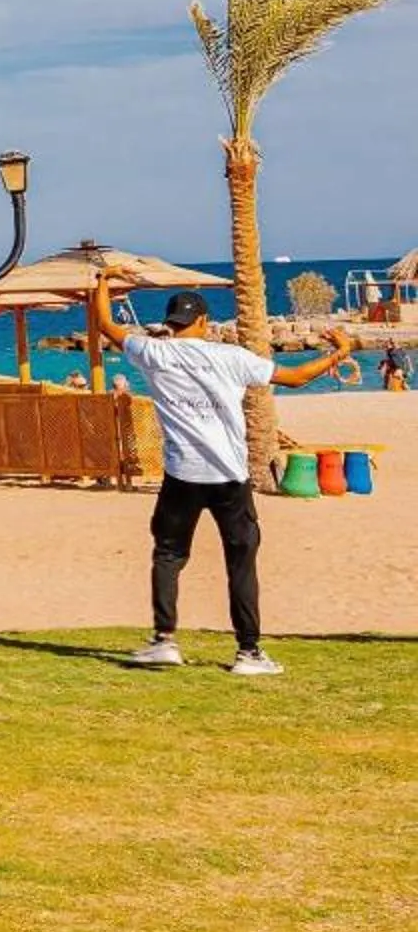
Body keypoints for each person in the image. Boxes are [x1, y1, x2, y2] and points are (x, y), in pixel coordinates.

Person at [99, 281, 355, 676]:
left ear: (172, 321)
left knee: (168, 555)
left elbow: (105, 325)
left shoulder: (153, 352)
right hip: (229, 477)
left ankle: (164, 642)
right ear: (202, 321)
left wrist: (104, 282)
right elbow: (297, 377)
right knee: (240, 561)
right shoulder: (232, 358)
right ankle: (248, 654)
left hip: (181, 474)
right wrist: (340, 351)